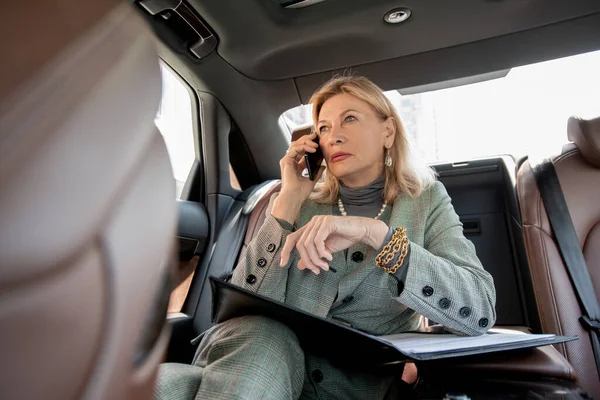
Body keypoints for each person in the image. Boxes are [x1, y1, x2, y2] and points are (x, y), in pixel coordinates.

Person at [157, 76, 496, 400]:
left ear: (388, 131)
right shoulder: (296, 204)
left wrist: (380, 237)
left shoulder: (426, 202)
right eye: (323, 127)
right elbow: (243, 312)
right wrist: (288, 199)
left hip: (351, 387)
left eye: (349, 119)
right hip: (254, 362)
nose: (333, 136)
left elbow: (479, 308)